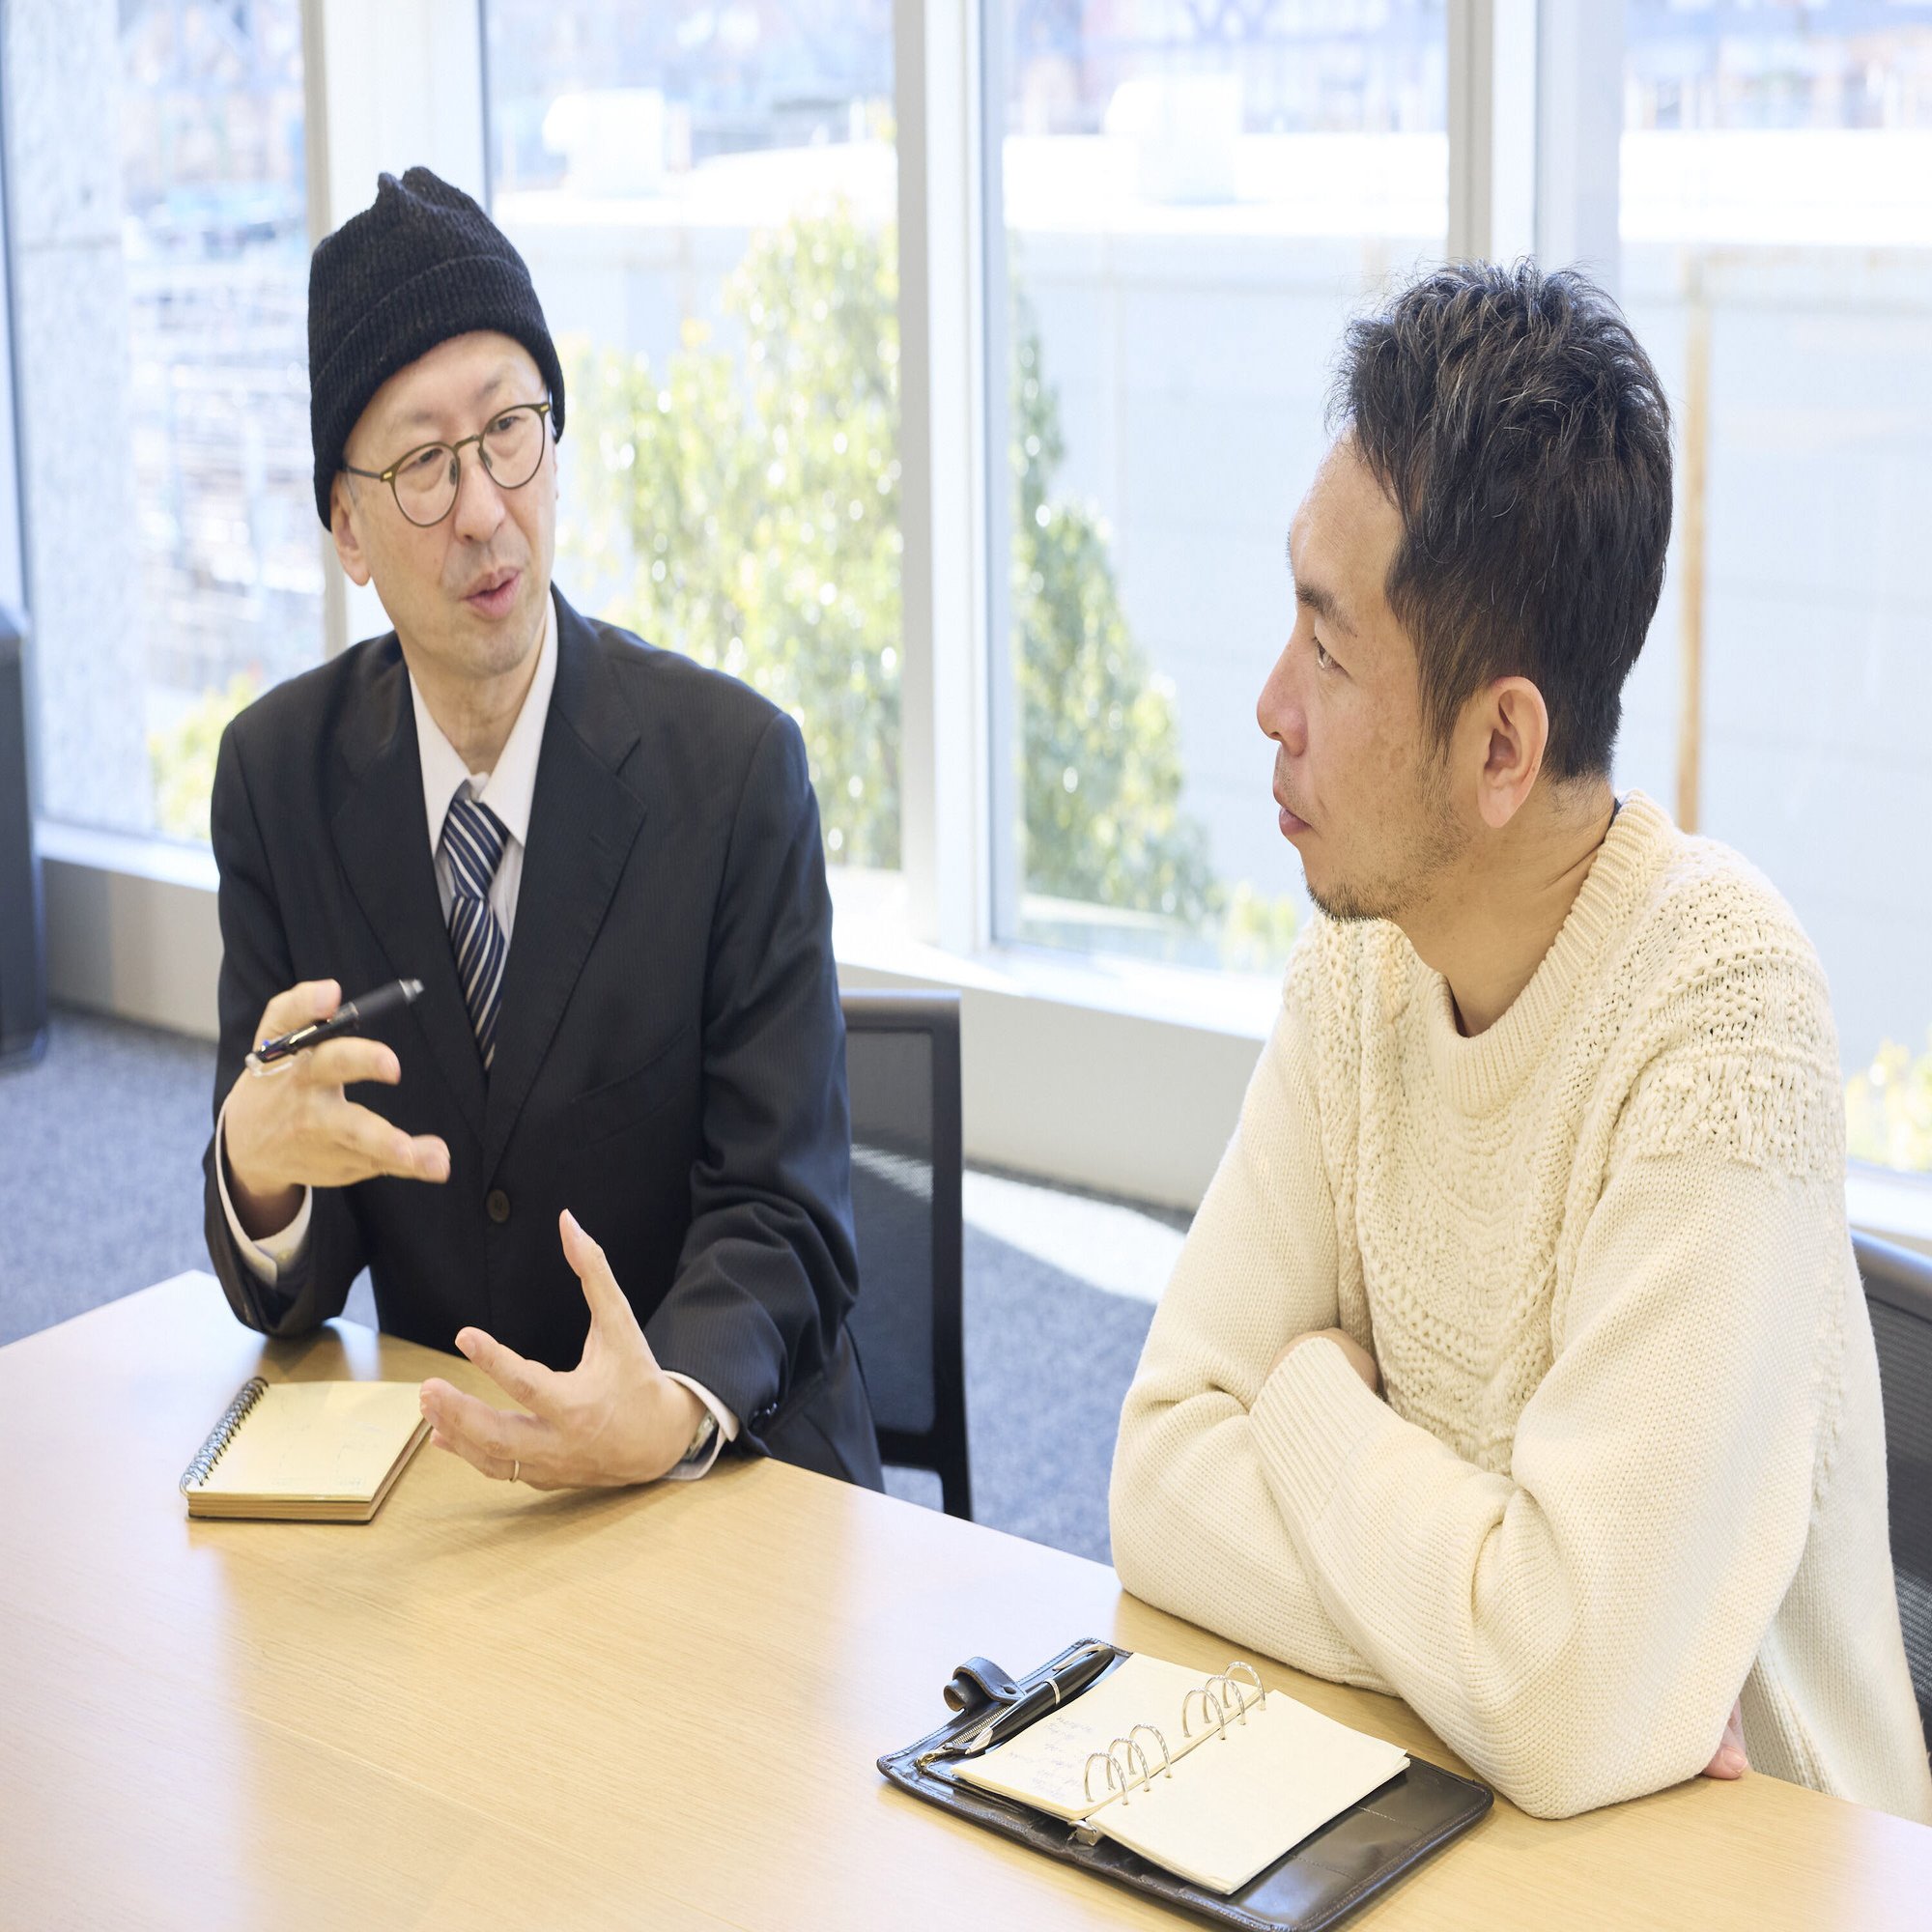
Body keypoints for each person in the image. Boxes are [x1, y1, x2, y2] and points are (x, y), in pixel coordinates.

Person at [1108, 261, 1932, 1823]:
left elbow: (1561, 1698)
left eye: (1331, 653)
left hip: (1758, 1867)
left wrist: (1305, 1404)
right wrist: (1498, 1637)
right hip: (1470, 1817)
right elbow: (1157, 1477)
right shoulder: (1362, 964)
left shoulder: (1725, 1011)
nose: (1272, 705)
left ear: (1502, 744)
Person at [202, 167, 882, 1493]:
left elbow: (786, 1212)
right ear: (346, 527)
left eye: (509, 431)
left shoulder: (735, 772)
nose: (482, 508)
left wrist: (666, 1404)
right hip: (461, 1491)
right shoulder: (277, 781)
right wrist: (259, 1175)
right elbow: (295, 1284)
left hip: (720, 1475)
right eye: (422, 463)